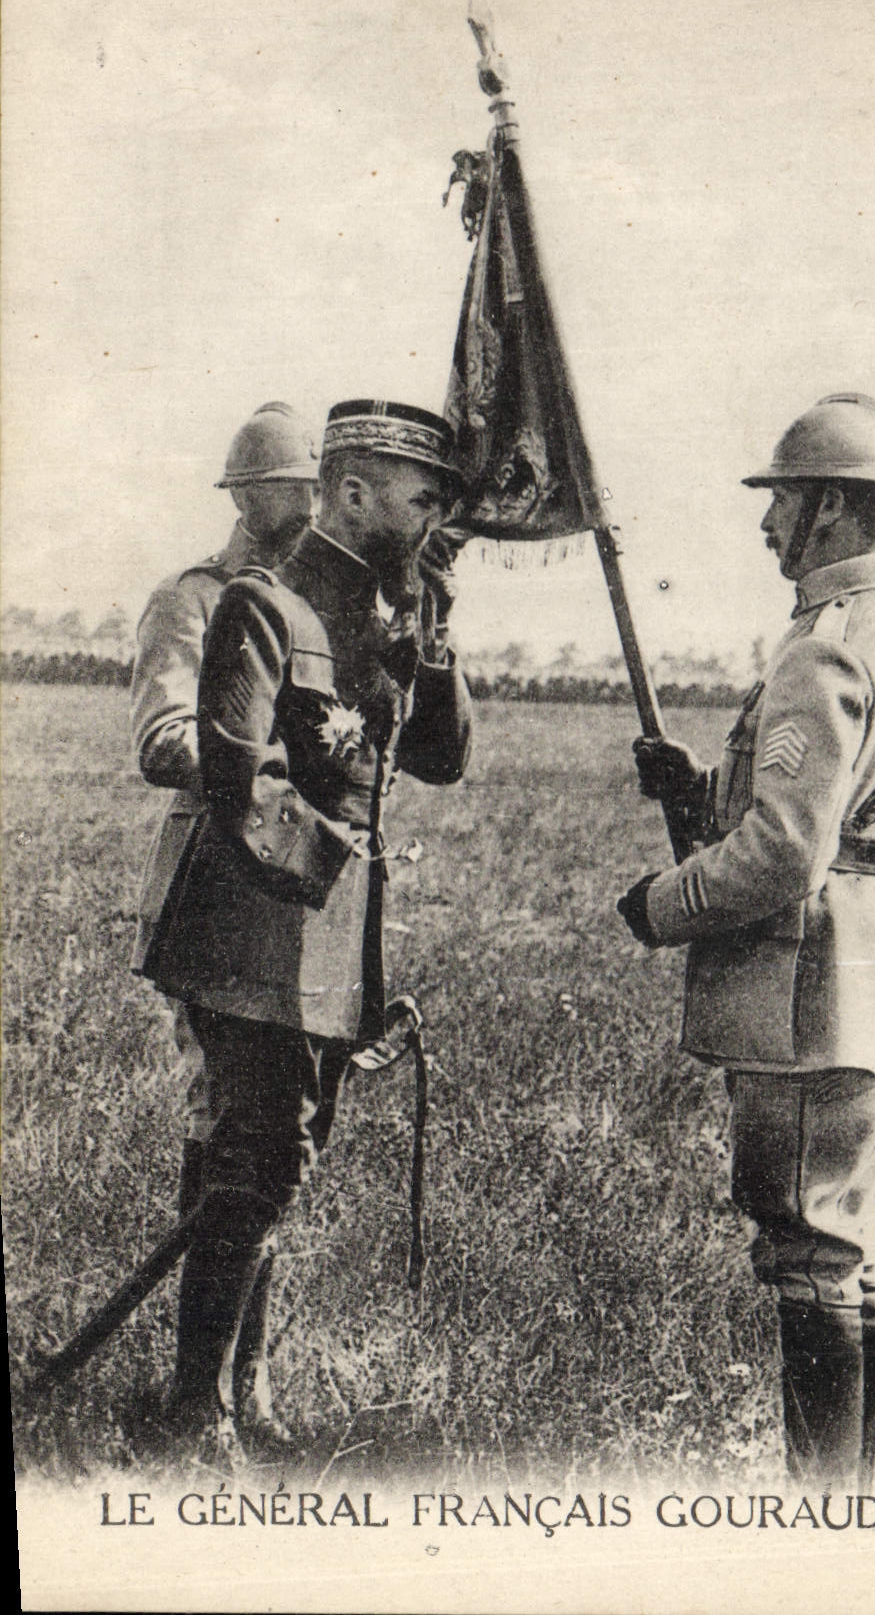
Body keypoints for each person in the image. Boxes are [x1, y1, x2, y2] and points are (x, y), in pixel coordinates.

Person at [618, 394, 875, 1490]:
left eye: (780, 503)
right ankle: (851, 1509)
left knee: (811, 1250)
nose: (767, 526)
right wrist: (700, 788)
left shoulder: (826, 647)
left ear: (828, 510)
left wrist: (659, 904)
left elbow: (781, 854)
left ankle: (822, 1526)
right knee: (854, 1245)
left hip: (810, 987)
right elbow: (842, 812)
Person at [137, 397, 472, 1461]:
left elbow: (440, 758)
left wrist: (437, 636)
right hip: (255, 930)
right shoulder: (263, 605)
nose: (433, 521)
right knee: (259, 1161)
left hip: (328, 945)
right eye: (423, 500)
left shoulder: (382, 617)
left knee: (281, 1162)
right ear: (356, 491)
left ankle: (234, 1390)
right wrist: (330, 871)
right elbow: (240, 783)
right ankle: (197, 1413)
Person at [130, 401, 320, 1443]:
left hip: (294, 908)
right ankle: (191, 1401)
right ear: (252, 496)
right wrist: (286, 765)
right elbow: (165, 739)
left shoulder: (316, 614)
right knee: (230, 1131)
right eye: (304, 484)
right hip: (216, 899)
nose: (320, 502)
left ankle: (248, 1389)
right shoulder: (193, 600)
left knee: (280, 1140)